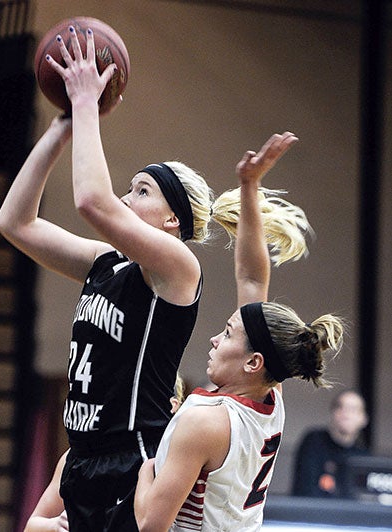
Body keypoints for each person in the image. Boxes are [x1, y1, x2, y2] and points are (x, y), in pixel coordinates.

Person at [0, 25, 310, 532]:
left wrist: (85, 104)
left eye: (141, 191)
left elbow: (90, 202)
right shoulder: (106, 262)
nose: (124, 198)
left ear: (172, 223)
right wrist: (61, 127)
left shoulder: (176, 270)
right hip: (81, 453)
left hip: (133, 457)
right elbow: (15, 223)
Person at [134, 133, 345, 532]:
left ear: (253, 361)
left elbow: (149, 525)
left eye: (227, 333)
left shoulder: (206, 422)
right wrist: (250, 188)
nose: (215, 339)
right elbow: (251, 278)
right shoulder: (270, 396)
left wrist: (145, 469)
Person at [23, 375, 186, 532]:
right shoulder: (80, 456)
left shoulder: (178, 460)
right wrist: (54, 525)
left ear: (173, 405)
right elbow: (32, 525)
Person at [291, 389, 369, 498]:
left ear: (364, 419)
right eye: (340, 407)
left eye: (353, 409)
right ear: (333, 412)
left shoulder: (363, 457)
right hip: (312, 511)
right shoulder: (314, 441)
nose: (346, 414)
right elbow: (305, 489)